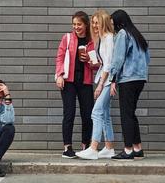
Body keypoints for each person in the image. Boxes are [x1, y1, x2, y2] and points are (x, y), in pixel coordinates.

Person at [109, 9, 150, 160]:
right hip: (140, 79)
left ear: (119, 23)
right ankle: (138, 148)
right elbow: (147, 59)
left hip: (127, 79)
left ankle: (127, 150)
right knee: (131, 113)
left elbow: (118, 59)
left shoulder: (122, 34)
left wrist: (113, 78)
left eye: (113, 24)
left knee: (126, 114)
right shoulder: (138, 36)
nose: (113, 27)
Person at [76, 10, 115, 160]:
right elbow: (104, 62)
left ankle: (93, 148)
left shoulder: (109, 38)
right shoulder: (102, 39)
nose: (94, 25)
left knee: (96, 112)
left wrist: (100, 85)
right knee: (104, 114)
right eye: (93, 22)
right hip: (104, 78)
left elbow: (109, 65)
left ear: (104, 22)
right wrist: (95, 62)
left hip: (106, 81)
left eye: (97, 22)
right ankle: (109, 148)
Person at [55, 11, 95, 158]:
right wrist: (59, 75)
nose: (76, 27)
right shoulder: (67, 38)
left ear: (86, 25)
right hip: (68, 81)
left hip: (85, 81)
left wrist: (89, 62)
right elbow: (59, 58)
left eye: (79, 24)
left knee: (87, 115)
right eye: (74, 24)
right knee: (69, 113)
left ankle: (86, 146)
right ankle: (67, 147)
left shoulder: (92, 41)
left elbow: (97, 65)